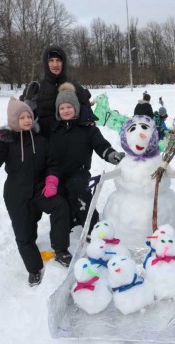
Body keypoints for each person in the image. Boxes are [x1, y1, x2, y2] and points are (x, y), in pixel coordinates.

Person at [0, 97, 72, 286]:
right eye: (21, 118)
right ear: (14, 120)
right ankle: (34, 268)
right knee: (24, 233)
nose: (27, 121)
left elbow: (52, 163)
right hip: (16, 194)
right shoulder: (6, 142)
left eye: (28, 116)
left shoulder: (40, 141)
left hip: (39, 189)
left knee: (60, 206)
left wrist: (52, 180)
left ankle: (61, 249)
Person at [48, 83, 125, 237]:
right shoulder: (53, 129)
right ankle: (68, 222)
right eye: (62, 108)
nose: (66, 111)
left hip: (79, 171)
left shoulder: (88, 129)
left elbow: (101, 146)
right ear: (58, 111)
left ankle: (92, 227)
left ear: (76, 107)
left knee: (78, 190)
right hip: (57, 173)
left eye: (69, 107)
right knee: (60, 197)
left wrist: (112, 155)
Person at [33, 45, 97, 137]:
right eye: (51, 61)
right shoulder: (38, 89)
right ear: (46, 64)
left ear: (63, 63)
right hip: (45, 143)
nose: (55, 64)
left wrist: (86, 118)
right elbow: (25, 118)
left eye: (58, 60)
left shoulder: (75, 87)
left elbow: (88, 116)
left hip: (69, 141)